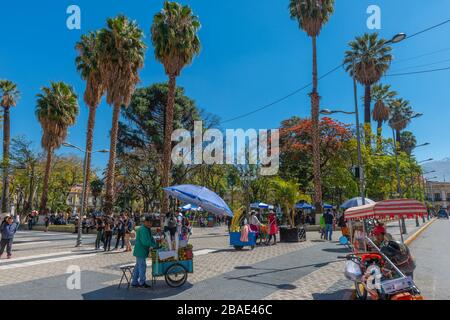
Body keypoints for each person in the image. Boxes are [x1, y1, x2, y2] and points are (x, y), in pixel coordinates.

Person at [131, 216, 158, 288]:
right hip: (140, 251)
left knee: (137, 266)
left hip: (141, 251)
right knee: (142, 266)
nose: (150, 224)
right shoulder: (143, 229)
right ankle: (142, 282)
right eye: (149, 222)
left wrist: (155, 243)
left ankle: (134, 282)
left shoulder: (146, 228)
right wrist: (154, 245)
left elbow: (150, 238)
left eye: (151, 223)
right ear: (145, 222)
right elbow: (145, 242)